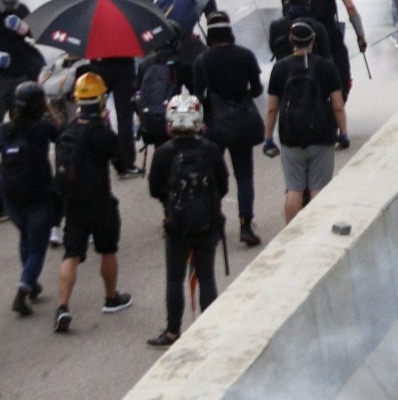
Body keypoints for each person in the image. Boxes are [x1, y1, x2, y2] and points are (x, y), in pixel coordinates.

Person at [144, 93, 228, 348]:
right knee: (207, 277)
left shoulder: (163, 153)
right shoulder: (211, 150)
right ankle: (209, 331)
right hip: (208, 224)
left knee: (174, 279)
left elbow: (155, 189)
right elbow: (222, 185)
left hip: (176, 226)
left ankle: (172, 332)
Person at [51, 73, 132, 332]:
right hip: (100, 201)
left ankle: (63, 306)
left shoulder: (68, 130)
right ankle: (111, 298)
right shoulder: (102, 133)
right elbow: (121, 162)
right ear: (100, 101)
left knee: (72, 254)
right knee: (108, 250)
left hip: (73, 204)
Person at [189, 11, 264, 247]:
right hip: (242, 124)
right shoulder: (245, 55)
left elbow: (197, 97)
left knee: (211, 175)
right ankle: (245, 224)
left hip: (215, 126)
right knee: (244, 176)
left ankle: (213, 222)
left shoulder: (202, 60)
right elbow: (258, 89)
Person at [261, 20, 347, 221]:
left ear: (291, 40)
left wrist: (268, 138)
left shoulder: (280, 68)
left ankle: (291, 234)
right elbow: (338, 105)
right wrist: (343, 133)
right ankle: (318, 229)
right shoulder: (326, 67)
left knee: (294, 188)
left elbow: (272, 107)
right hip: (322, 135)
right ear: (313, 40)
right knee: (319, 187)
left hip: (291, 137)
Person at [2, 82, 58, 317]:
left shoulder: (5, 129)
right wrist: (51, 110)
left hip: (11, 196)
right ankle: (23, 290)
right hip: (38, 194)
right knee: (37, 247)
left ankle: (31, 281)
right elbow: (63, 135)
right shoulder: (42, 127)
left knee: (25, 236)